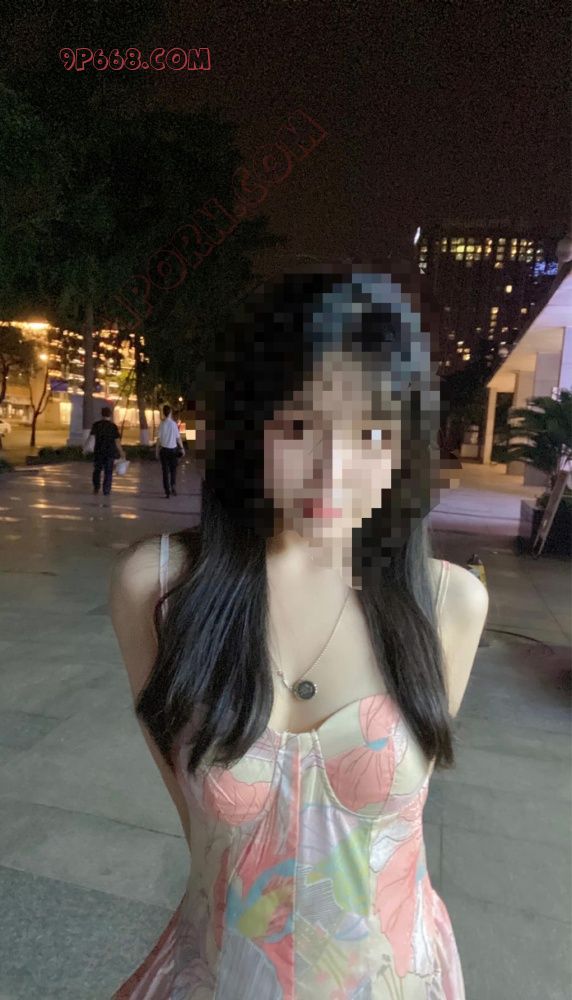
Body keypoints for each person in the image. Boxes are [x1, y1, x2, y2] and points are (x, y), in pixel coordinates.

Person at [109, 261, 488, 999]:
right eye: (299, 426)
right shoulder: (157, 593)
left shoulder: (449, 604)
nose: (332, 470)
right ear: (251, 427)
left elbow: (396, 828)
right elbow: (204, 835)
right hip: (218, 974)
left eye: (371, 432)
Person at [85, 405, 126, 497]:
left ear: (101, 414)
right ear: (110, 415)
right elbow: (117, 441)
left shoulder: (96, 425)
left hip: (98, 451)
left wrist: (85, 447)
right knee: (108, 472)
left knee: (97, 470)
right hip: (110, 452)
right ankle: (106, 490)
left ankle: (96, 487)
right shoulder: (113, 427)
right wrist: (121, 452)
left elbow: (91, 438)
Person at [156, 404, 185, 497]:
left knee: (165, 472)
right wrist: (182, 448)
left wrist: (156, 451)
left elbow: (158, 439)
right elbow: (178, 438)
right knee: (173, 470)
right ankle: (173, 486)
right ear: (170, 413)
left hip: (164, 451)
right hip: (173, 451)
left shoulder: (161, 424)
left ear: (164, 413)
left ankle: (167, 491)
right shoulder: (173, 424)